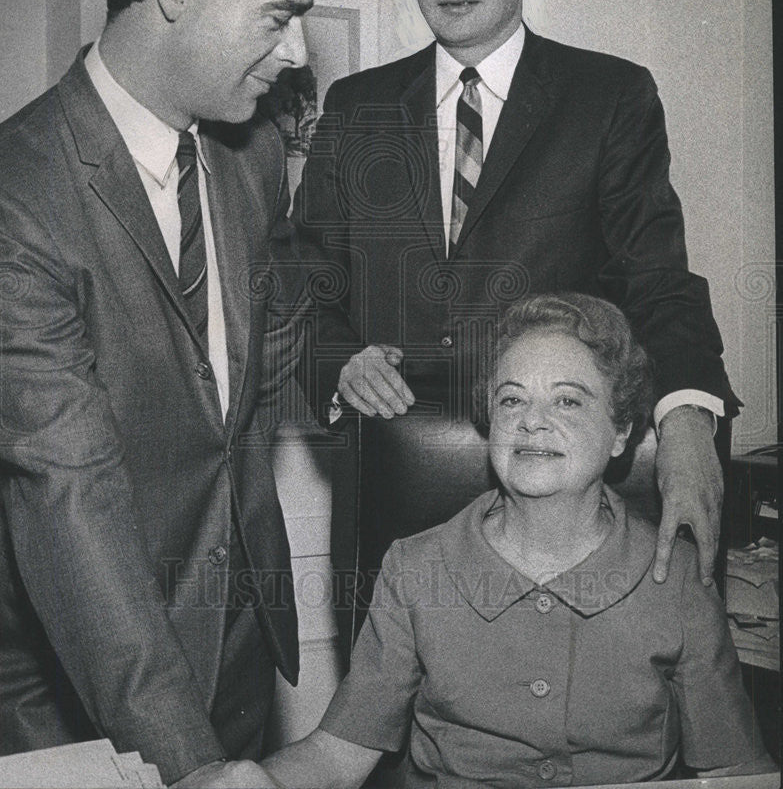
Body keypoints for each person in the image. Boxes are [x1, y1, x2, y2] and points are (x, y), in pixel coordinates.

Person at [292, 0, 739, 654]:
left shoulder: (608, 97)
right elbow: (303, 269)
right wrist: (336, 357)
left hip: (558, 507)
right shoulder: (356, 105)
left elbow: (656, 277)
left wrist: (687, 422)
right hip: (398, 494)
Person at [0, 0, 338, 788]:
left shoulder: (251, 152)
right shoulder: (9, 199)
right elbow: (68, 497)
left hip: (234, 661)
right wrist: (188, 764)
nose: (297, 51)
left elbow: (252, 366)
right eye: (278, 15)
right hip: (71, 703)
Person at [262, 294, 775, 788]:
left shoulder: (678, 577)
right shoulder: (415, 568)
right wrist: (257, 778)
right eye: (512, 399)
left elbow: (736, 772)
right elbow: (337, 754)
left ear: (621, 432)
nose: (532, 421)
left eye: (568, 401)